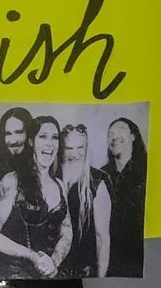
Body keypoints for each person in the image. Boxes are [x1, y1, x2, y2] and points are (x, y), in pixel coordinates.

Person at [0, 114, 73, 279]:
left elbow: (66, 233)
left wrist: (54, 262)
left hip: (49, 273)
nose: (49, 143)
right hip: (13, 273)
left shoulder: (60, 185)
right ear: (31, 142)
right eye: (43, 136)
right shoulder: (12, 181)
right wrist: (32, 256)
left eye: (54, 137)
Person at [60, 123, 111, 277]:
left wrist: (101, 278)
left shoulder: (97, 181)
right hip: (54, 267)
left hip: (84, 269)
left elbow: (102, 237)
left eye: (80, 147)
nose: (75, 154)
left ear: (86, 148)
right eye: (69, 148)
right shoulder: (53, 177)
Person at [104, 117, 148, 277]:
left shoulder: (149, 170)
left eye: (120, 130)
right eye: (110, 134)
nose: (114, 137)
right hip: (110, 260)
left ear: (133, 136)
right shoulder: (101, 176)